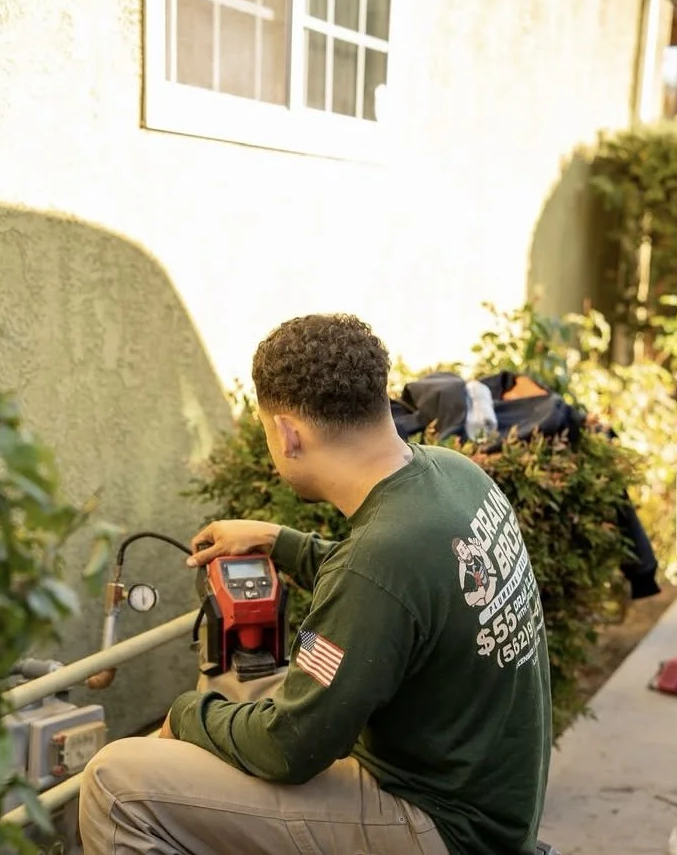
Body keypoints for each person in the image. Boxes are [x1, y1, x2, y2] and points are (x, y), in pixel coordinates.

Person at [79, 314, 552, 855]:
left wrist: (185, 715)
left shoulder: (379, 560)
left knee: (115, 780)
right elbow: (404, 593)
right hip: (485, 804)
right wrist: (280, 541)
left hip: (443, 827)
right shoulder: (454, 474)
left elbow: (292, 747)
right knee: (238, 688)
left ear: (287, 433)